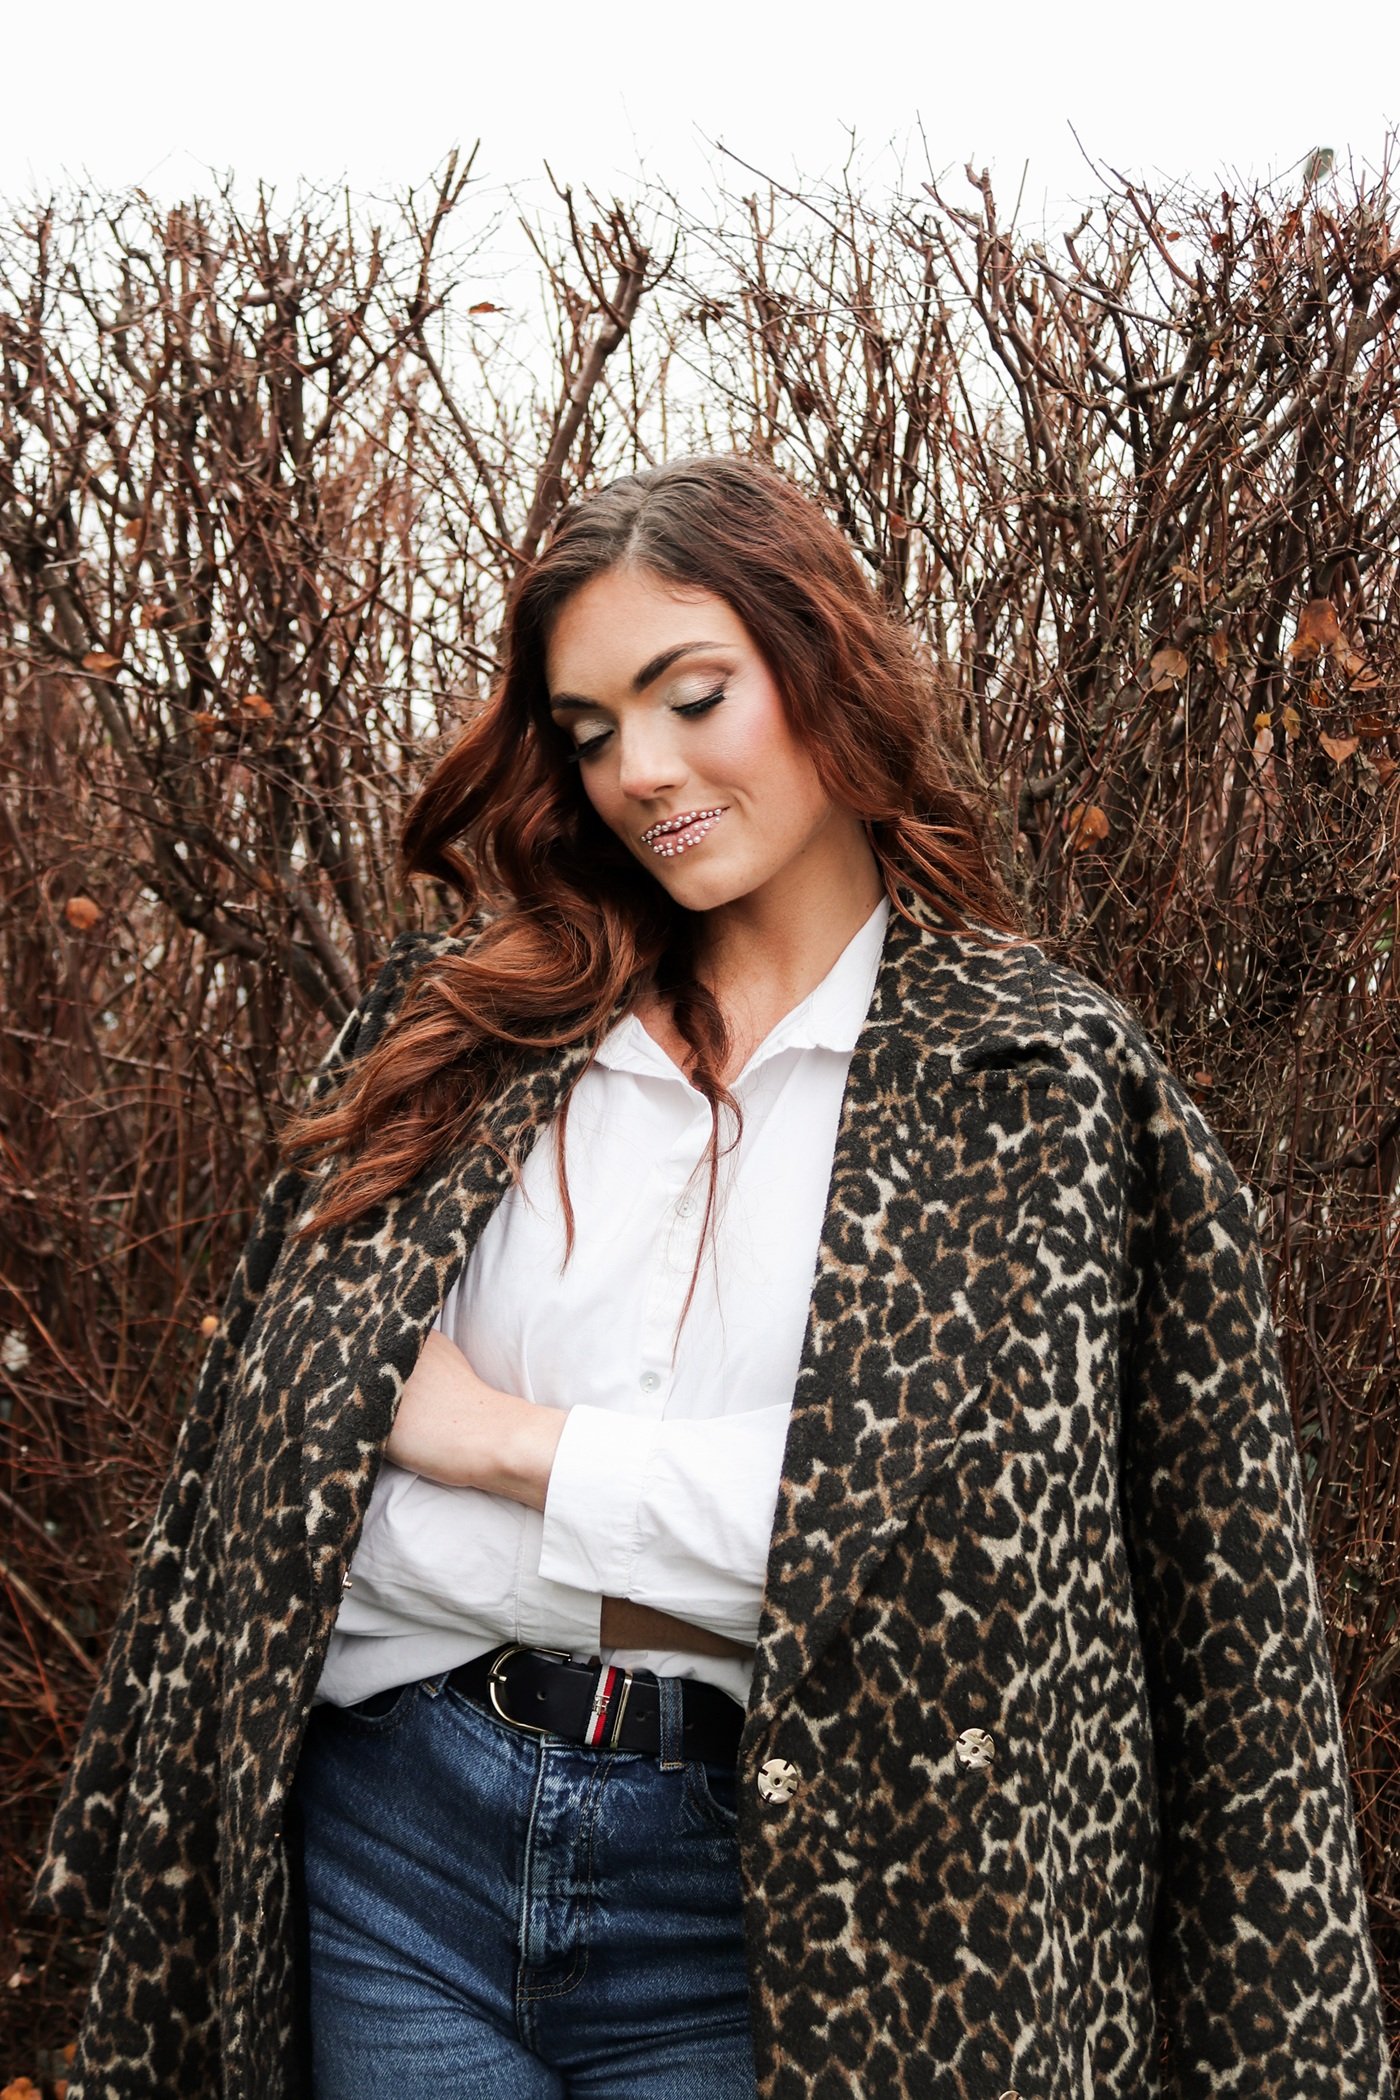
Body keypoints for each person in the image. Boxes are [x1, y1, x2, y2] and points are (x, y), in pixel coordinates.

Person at [34, 453, 1392, 2100]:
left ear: (823, 666)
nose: (643, 773)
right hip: (397, 1850)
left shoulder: (1037, 1085)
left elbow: (962, 1566)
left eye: (692, 697)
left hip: (801, 1903)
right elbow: (288, 1503)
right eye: (591, 730)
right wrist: (716, 1535)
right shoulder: (460, 1033)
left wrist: (498, 1448)